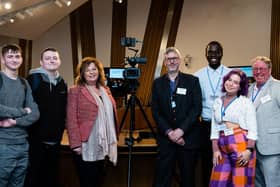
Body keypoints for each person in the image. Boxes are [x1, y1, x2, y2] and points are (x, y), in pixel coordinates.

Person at [151, 47, 202, 187]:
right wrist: (169, 132)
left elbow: (196, 109)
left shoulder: (193, 81)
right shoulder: (157, 83)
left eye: (174, 58)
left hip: (187, 139)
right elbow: (155, 111)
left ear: (179, 61)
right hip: (166, 140)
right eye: (169, 59)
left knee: (188, 179)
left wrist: (181, 131)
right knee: (162, 179)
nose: (172, 61)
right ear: (165, 63)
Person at [66, 57, 119, 187]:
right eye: (87, 70)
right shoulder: (75, 91)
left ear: (99, 71)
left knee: (100, 180)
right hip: (85, 144)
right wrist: (75, 144)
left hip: (104, 144)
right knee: (87, 181)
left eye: (94, 69)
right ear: (82, 73)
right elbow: (71, 118)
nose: (91, 72)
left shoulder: (105, 90)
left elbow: (110, 115)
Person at [24, 48, 67, 187]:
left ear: (59, 61)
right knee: (33, 178)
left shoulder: (62, 83)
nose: (52, 60)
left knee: (51, 178)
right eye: (48, 58)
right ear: (41, 62)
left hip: (55, 140)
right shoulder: (32, 80)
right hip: (35, 141)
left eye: (55, 58)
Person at [209, 69, 258, 187]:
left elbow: (253, 129)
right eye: (229, 80)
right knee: (218, 182)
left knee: (240, 183)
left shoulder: (245, 102)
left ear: (240, 87)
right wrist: (215, 150)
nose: (231, 84)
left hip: (240, 142)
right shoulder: (217, 102)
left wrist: (249, 150)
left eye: (236, 82)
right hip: (222, 144)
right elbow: (214, 128)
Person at [0, 44, 39, 187]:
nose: (14, 59)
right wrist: (22, 111)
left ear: (21, 59)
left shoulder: (24, 83)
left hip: (23, 145)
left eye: (17, 56)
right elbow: (27, 111)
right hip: (3, 144)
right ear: (3, 59)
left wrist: (14, 122)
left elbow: (35, 113)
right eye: (10, 56)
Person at [194, 41, 231, 187]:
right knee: (207, 162)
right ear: (206, 54)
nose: (213, 55)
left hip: (226, 126)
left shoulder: (231, 74)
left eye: (216, 52)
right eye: (210, 52)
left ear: (221, 53)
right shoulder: (197, 76)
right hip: (205, 125)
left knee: (226, 162)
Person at [248, 56, 280, 187]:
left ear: (270, 70)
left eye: (262, 68)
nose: (258, 72)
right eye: (255, 69)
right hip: (252, 148)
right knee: (258, 184)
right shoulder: (249, 89)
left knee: (273, 184)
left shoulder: (278, 87)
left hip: (272, 147)